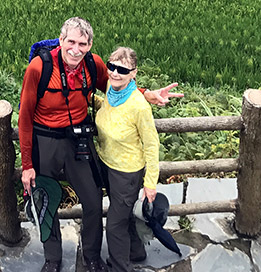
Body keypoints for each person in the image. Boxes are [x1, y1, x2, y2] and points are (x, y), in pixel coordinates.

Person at [18, 18, 182, 272]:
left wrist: (147, 94)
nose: (76, 48)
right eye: (70, 41)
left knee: (93, 202)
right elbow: (25, 117)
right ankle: (52, 258)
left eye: (82, 43)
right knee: (45, 200)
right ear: (60, 41)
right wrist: (27, 164)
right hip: (46, 141)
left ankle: (92, 257)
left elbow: (118, 83)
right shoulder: (40, 68)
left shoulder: (92, 65)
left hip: (78, 143)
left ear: (90, 45)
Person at [93, 47, 159, 270]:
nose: (114, 73)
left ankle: (119, 266)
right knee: (124, 214)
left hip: (127, 172)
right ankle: (136, 252)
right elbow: (110, 112)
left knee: (114, 225)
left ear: (134, 73)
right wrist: (86, 99)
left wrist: (150, 183)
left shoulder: (139, 105)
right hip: (107, 163)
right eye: (111, 66)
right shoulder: (111, 89)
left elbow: (151, 145)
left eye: (122, 69)